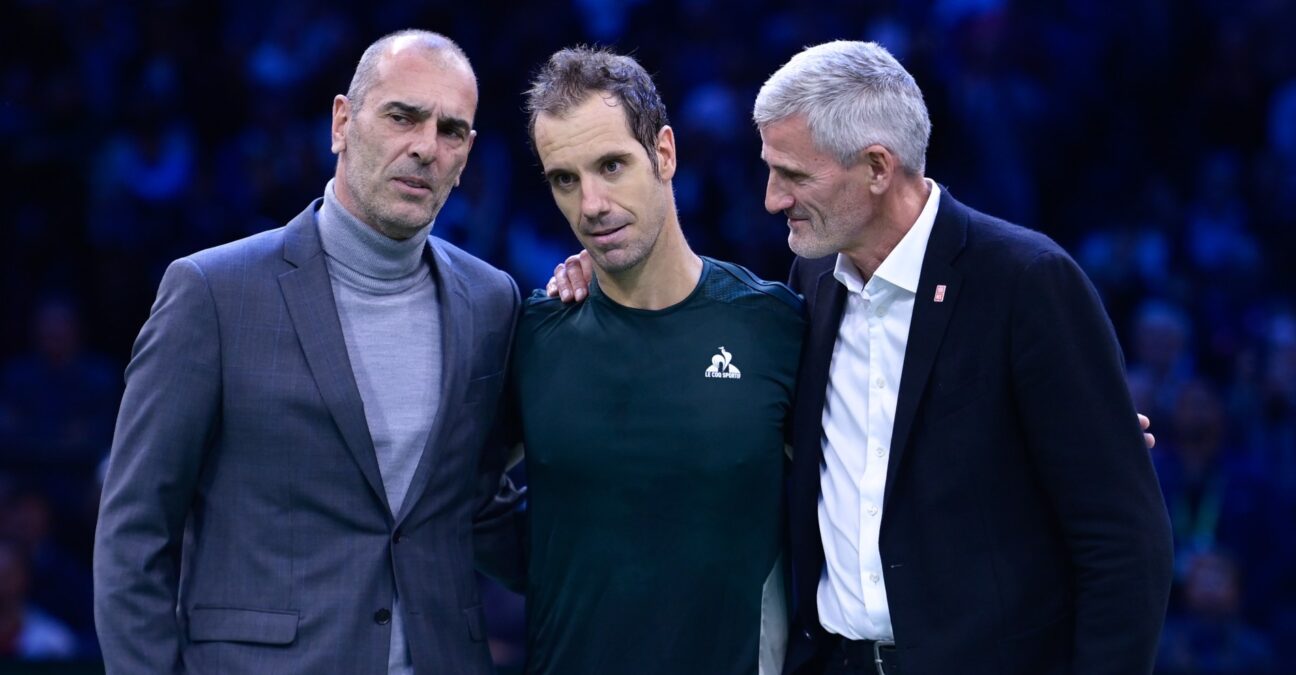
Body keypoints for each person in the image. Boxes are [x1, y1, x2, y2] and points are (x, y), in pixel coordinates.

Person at [550, 40, 1173, 675]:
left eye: (793, 175)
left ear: (877, 167)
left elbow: (1124, 544)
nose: (771, 198)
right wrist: (602, 274)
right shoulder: (812, 279)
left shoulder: (1026, 282)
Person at [93, 30, 520, 675]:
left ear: (467, 156)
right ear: (342, 121)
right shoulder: (212, 292)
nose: (424, 147)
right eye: (402, 116)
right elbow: (133, 534)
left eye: (451, 130)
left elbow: (478, 504)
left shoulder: (492, 301)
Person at [511, 47, 804, 675]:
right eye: (566, 179)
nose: (590, 204)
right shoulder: (536, 333)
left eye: (612, 165)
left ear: (664, 153)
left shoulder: (774, 324)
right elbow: (463, 498)